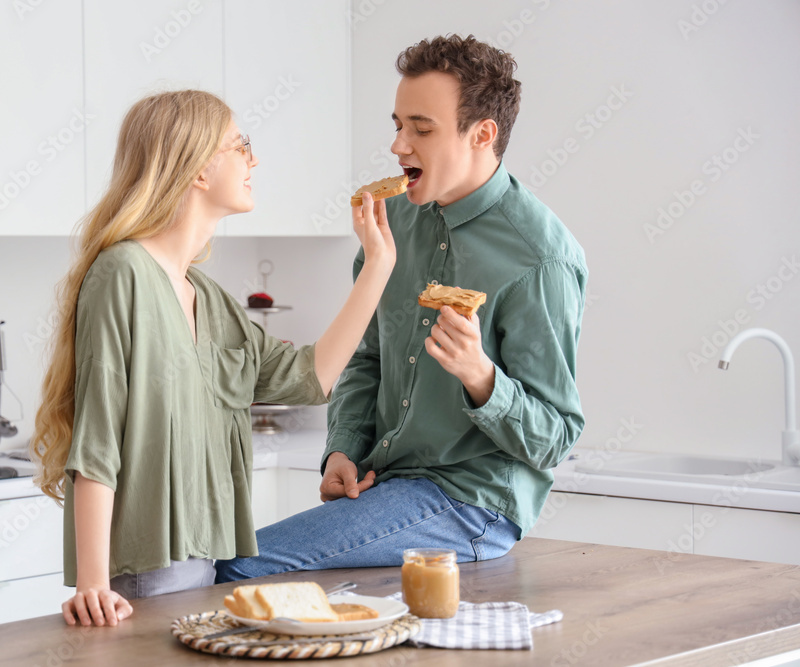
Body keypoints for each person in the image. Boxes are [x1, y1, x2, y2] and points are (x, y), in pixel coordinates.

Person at [216, 34, 587, 582]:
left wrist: (481, 376)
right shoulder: (392, 224)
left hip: (472, 503)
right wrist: (343, 450)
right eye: (397, 125)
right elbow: (367, 358)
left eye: (421, 128)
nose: (398, 147)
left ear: (482, 134)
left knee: (237, 568)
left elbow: (556, 435)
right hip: (388, 485)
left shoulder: (539, 258)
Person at [29, 89, 396, 627]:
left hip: (206, 563)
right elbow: (98, 438)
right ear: (199, 168)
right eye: (240, 146)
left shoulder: (208, 295)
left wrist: (377, 267)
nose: (253, 160)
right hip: (147, 570)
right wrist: (93, 584)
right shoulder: (123, 273)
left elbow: (308, 379)